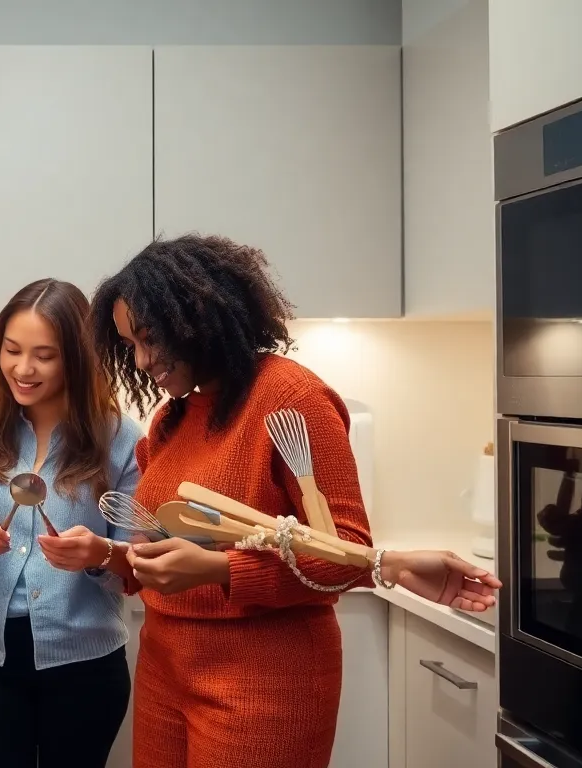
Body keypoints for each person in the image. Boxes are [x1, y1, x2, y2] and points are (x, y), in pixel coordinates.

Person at [89, 233, 502, 768]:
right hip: (165, 670)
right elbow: (166, 552)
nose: (142, 360)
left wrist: (220, 570)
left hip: (264, 682)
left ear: (195, 316)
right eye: (131, 346)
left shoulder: (292, 398)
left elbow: (344, 553)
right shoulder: (170, 421)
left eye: (150, 338)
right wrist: (110, 555)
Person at [0, 279, 142, 768]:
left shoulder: (121, 439)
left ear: (77, 357)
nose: (22, 369)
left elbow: (137, 568)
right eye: (11, 350)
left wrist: (98, 556)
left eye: (44, 356)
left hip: (87, 667)